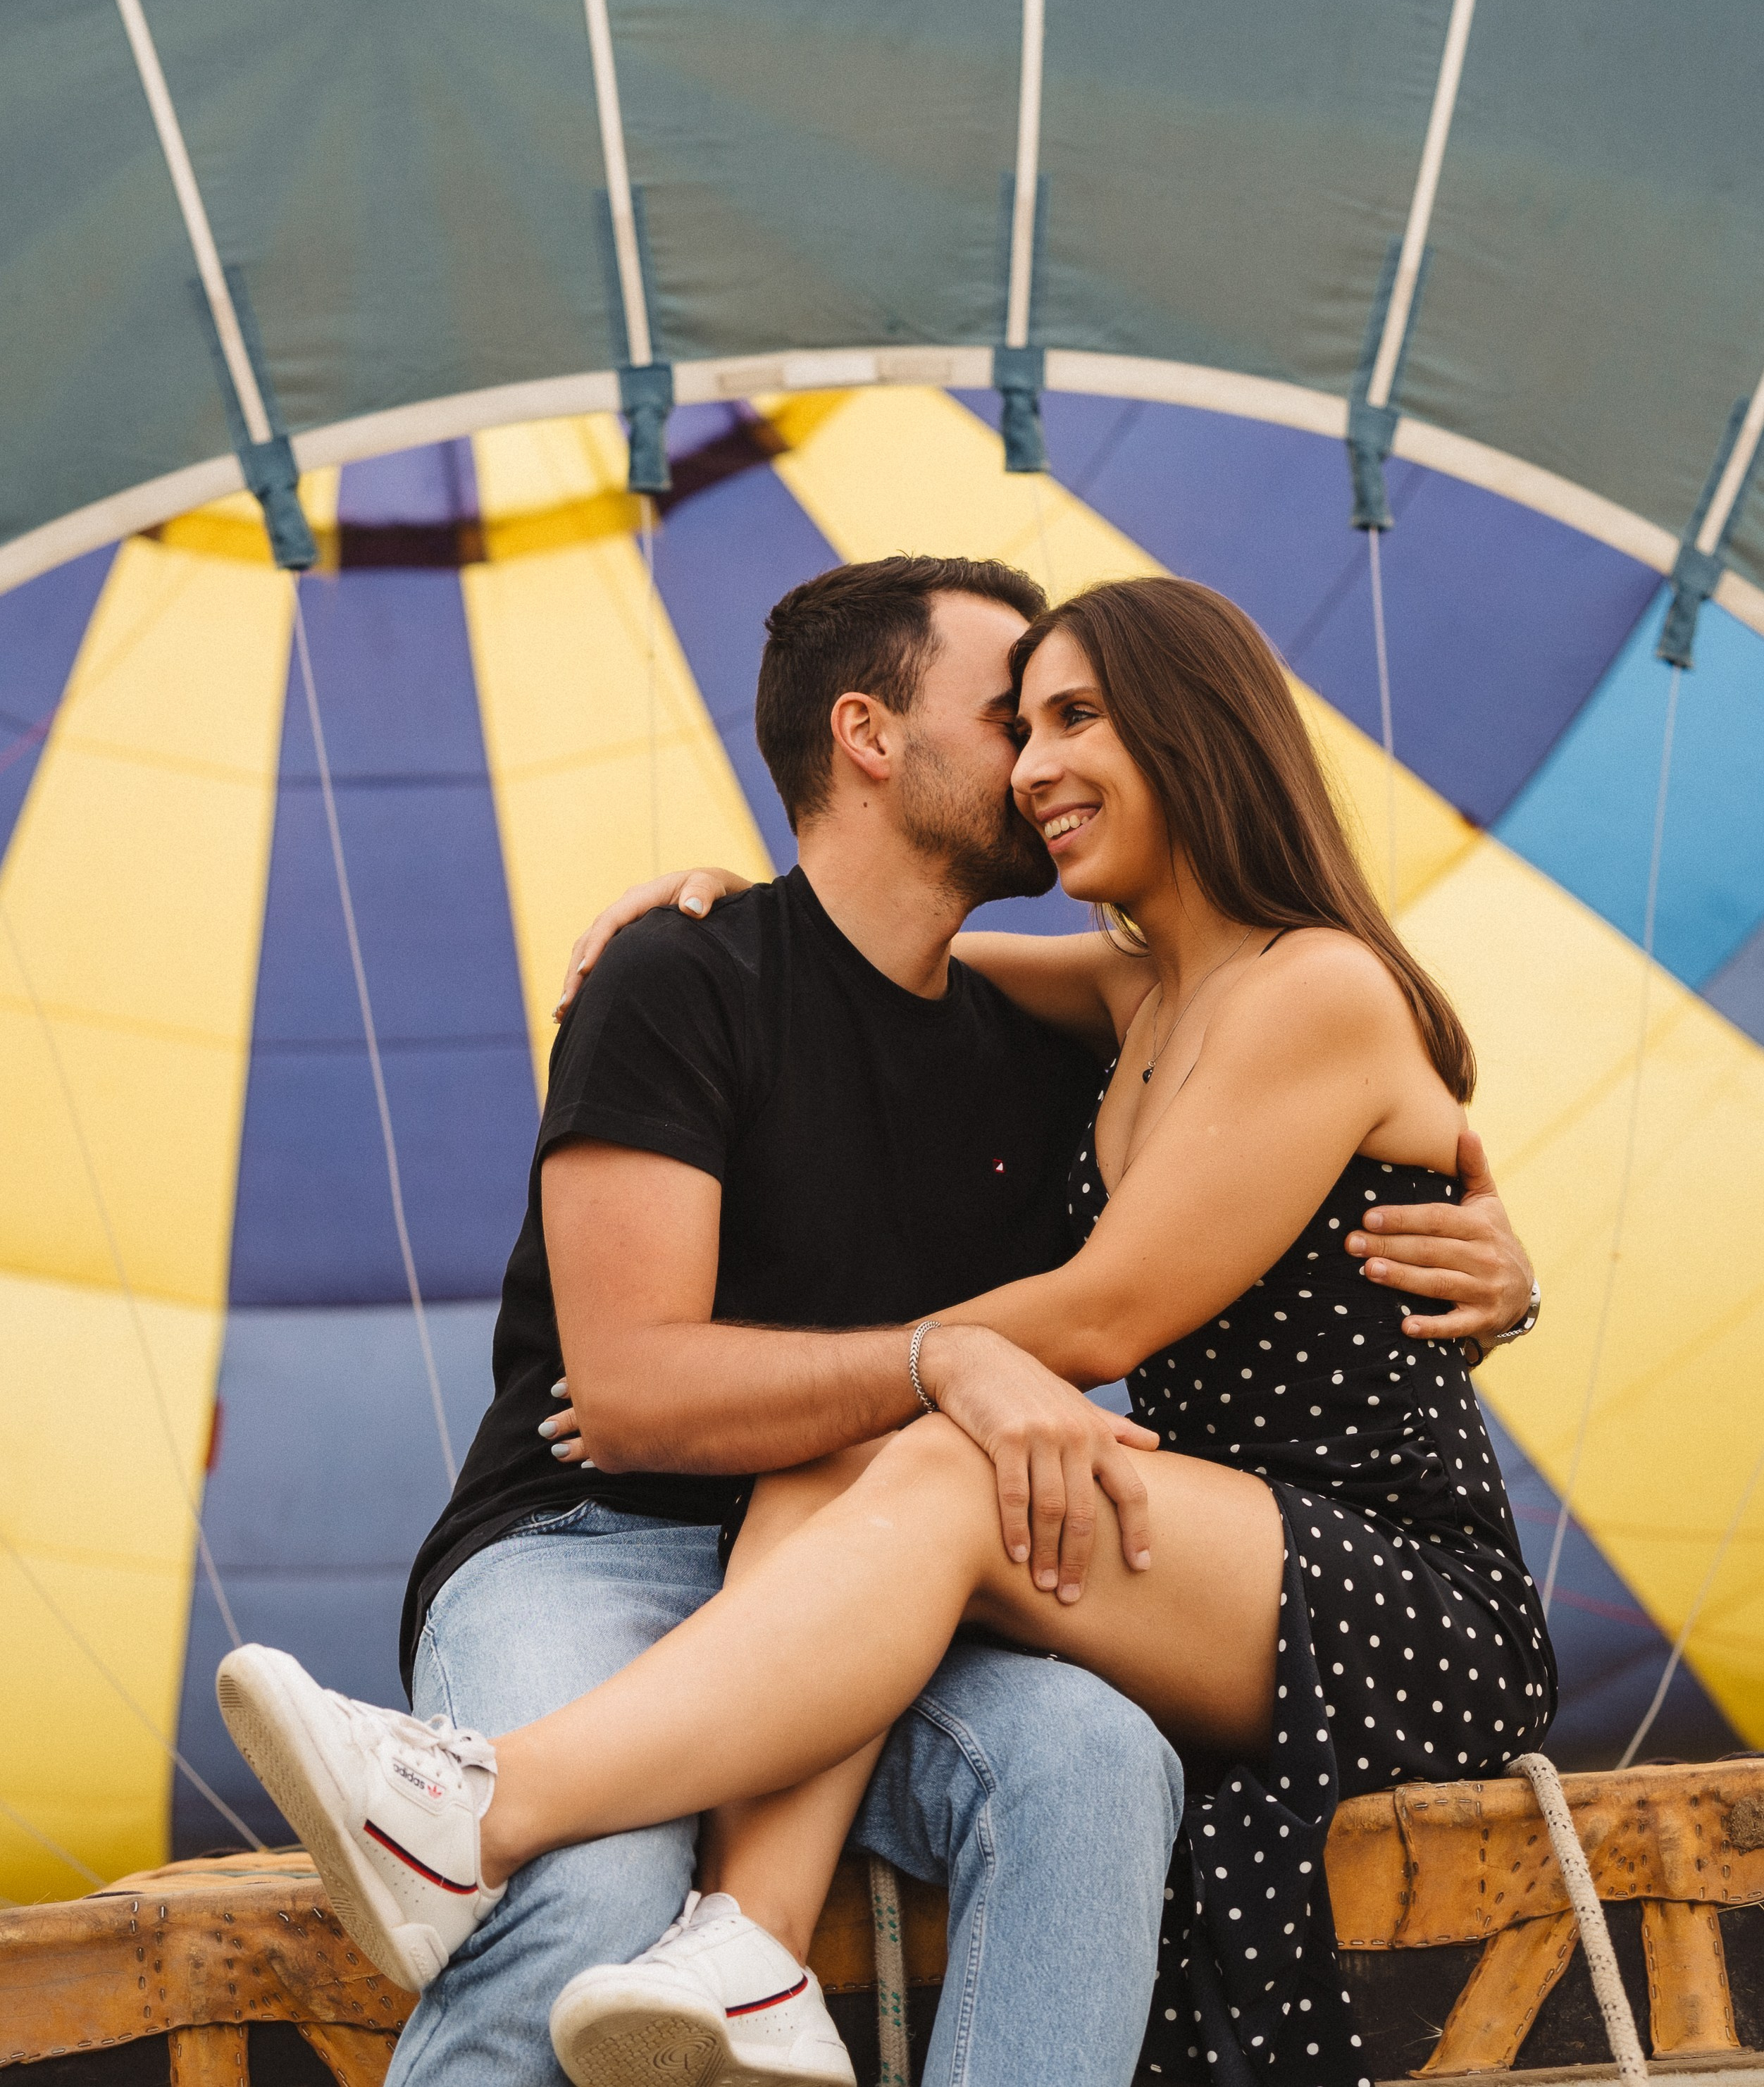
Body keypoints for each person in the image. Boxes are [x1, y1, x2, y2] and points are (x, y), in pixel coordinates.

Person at [219, 562, 1541, 2087]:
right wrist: (703, 912)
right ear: (864, 735)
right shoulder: (1026, 1002)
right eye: (1011, 718)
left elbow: (1197, 1266)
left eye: (1071, 719)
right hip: (609, 1543)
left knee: (1085, 1745)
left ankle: (499, 1814)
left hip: (1257, 1557)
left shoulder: (1205, 1009)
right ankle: (697, 1925)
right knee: (598, 1876)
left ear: (1189, 733)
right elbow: (646, 1373)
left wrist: (1509, 1278)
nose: (1037, 763)